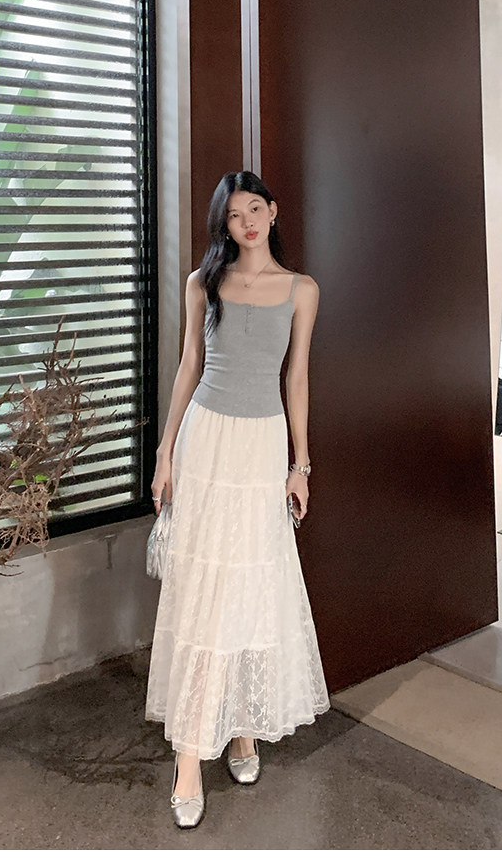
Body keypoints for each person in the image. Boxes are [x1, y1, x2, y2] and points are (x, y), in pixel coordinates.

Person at [145, 170, 330, 829]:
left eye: (255, 208)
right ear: (223, 223)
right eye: (234, 214)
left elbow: (297, 377)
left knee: (251, 587)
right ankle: (189, 760)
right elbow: (188, 366)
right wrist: (166, 452)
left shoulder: (302, 290)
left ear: (273, 212)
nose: (246, 221)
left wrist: (299, 465)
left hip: (260, 448)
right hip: (207, 441)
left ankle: (244, 726)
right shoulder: (204, 283)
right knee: (204, 594)